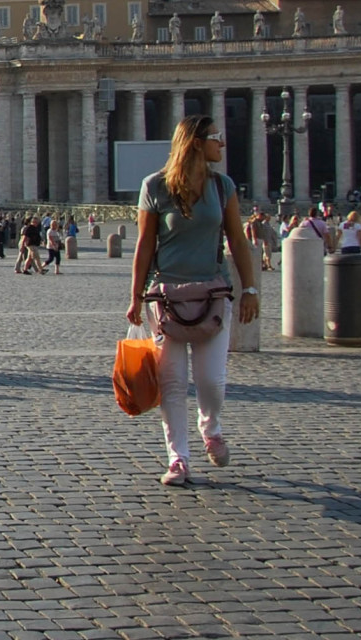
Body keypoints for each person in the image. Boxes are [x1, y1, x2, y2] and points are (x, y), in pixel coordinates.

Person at [127, 114, 259, 487]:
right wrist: (136, 296)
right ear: (196, 143)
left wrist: (249, 288)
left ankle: (211, 425)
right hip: (165, 295)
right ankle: (178, 458)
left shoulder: (223, 186)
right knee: (171, 382)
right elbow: (145, 244)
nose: (223, 144)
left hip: (213, 293)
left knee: (210, 382)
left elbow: (237, 238)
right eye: (216, 137)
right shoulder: (153, 186)